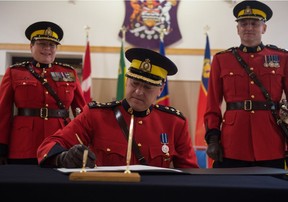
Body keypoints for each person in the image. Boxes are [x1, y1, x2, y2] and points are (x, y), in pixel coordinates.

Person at [37, 47, 199, 169]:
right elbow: (48, 145)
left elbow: (189, 172)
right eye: (134, 83)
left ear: (160, 89)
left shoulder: (174, 123)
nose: (138, 92)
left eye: (148, 87)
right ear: (127, 81)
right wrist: (63, 158)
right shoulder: (96, 115)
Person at [204, 0, 288, 169]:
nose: (248, 27)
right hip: (233, 143)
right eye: (243, 23)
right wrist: (213, 138)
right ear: (237, 29)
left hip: (270, 142)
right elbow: (212, 104)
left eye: (254, 23)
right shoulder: (222, 60)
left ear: (264, 28)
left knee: (273, 193)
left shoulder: (282, 58)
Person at [0, 21, 86, 165]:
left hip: (61, 142)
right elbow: (3, 112)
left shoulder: (69, 73)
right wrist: (1, 145)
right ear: (31, 46)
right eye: (41, 44)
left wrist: (87, 141)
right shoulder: (15, 72)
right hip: (24, 144)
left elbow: (83, 112)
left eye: (52, 45)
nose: (47, 48)